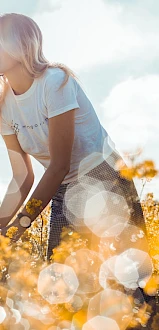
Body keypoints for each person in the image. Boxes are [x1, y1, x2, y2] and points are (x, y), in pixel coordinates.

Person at [0, 13, 148, 264]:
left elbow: (59, 166)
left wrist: (18, 227)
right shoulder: (4, 106)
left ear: (18, 46)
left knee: (128, 287)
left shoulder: (54, 82)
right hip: (63, 190)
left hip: (106, 180)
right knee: (62, 287)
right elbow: (22, 177)